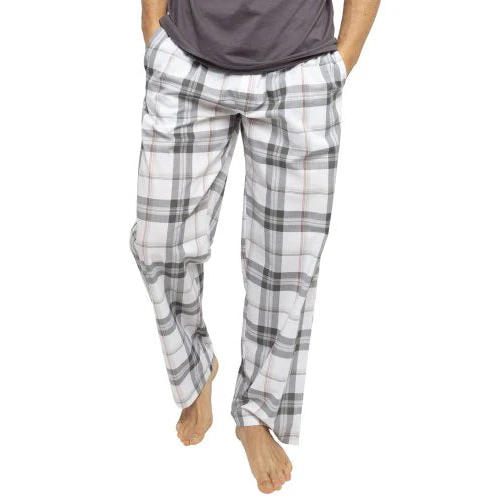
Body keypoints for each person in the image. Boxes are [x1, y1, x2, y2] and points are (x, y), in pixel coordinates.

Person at [130, 0, 380, 493]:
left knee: (286, 263)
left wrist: (339, 63)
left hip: (300, 68)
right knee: (158, 241)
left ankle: (256, 413)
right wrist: (152, 28)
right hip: (187, 54)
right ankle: (194, 367)